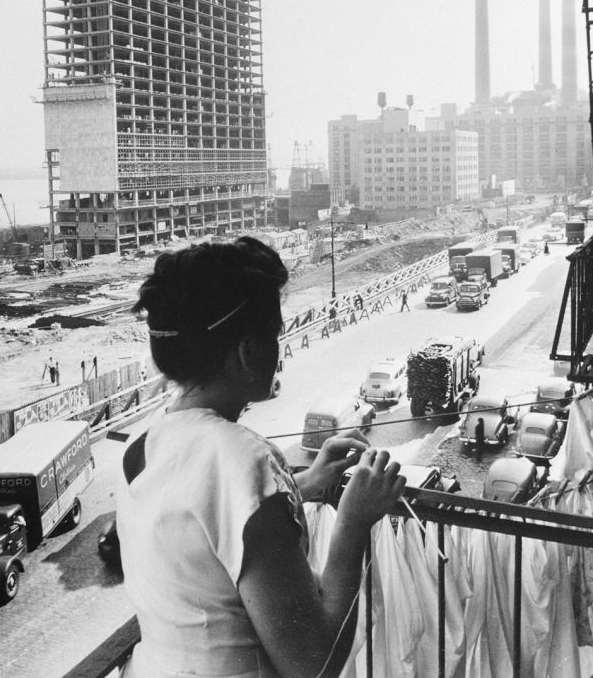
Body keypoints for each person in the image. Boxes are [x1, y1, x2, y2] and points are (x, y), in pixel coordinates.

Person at [115, 237, 404, 678]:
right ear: (248, 351)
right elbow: (314, 663)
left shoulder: (142, 445)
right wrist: (354, 520)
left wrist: (304, 483)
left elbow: (202, 528)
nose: (280, 352)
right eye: (275, 337)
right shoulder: (248, 459)